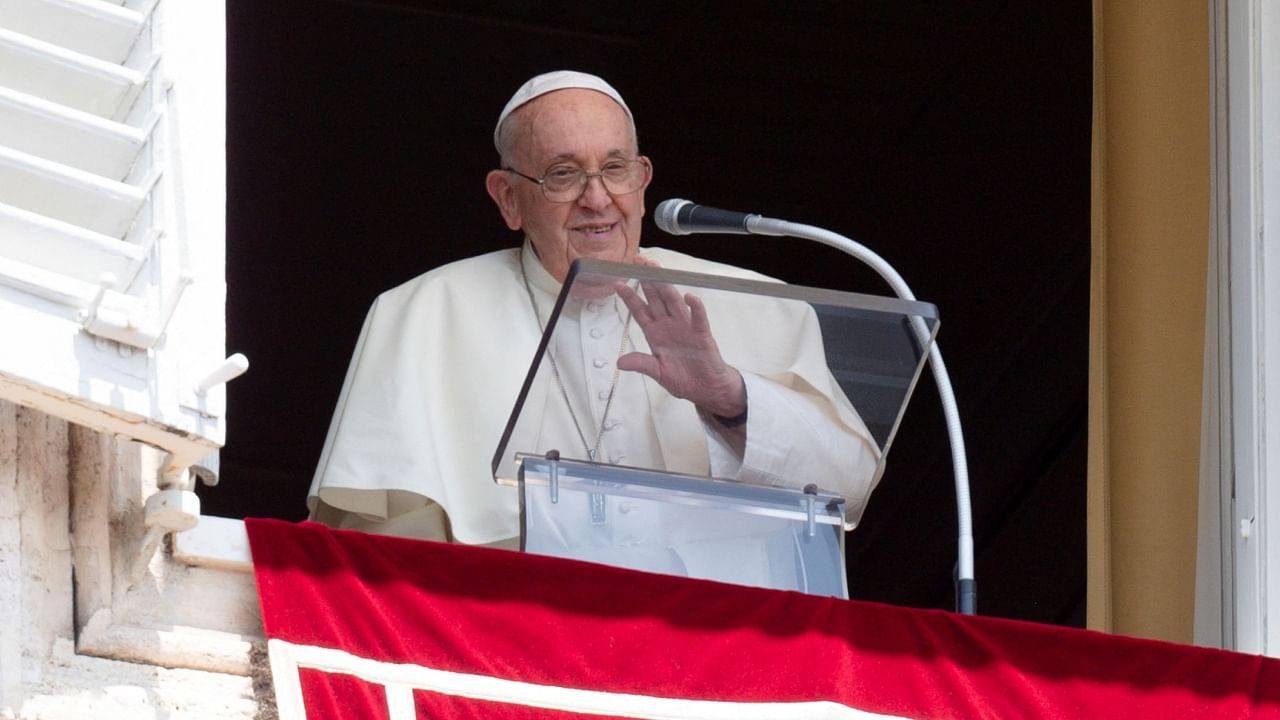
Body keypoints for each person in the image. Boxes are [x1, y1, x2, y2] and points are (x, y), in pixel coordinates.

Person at [308, 71, 880, 568]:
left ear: (643, 178)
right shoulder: (424, 313)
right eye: (562, 174)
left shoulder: (762, 305)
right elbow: (379, 551)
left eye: (615, 168)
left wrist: (729, 399)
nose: (598, 198)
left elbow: (849, 491)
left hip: (714, 645)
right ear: (508, 197)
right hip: (515, 644)